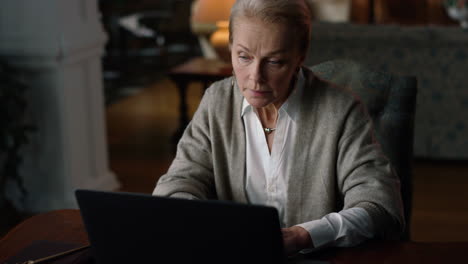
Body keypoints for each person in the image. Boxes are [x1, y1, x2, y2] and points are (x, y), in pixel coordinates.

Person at [153, 0, 404, 255]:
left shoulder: (341, 110)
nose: (255, 77)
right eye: (243, 56)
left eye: (274, 62)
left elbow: (379, 204)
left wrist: (304, 236)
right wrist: (203, 225)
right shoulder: (216, 102)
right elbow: (178, 182)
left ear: (300, 56)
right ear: (229, 47)